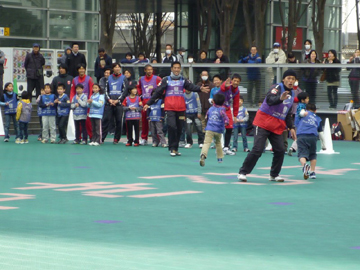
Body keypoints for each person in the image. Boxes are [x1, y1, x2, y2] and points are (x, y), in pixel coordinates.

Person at [237, 70, 297, 183]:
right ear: (283, 79)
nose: (290, 81)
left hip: (276, 126)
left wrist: (292, 127)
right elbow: (269, 100)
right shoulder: (277, 88)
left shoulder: (292, 94)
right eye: (288, 78)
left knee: (280, 150)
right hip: (263, 122)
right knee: (258, 149)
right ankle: (243, 172)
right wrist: (280, 98)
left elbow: (288, 112)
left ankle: (274, 174)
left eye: (293, 79)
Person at [143, 61, 210, 157]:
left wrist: (200, 89)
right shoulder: (166, 80)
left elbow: (191, 87)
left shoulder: (183, 80)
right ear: (171, 69)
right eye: (175, 68)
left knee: (179, 129)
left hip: (181, 109)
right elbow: (157, 92)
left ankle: (175, 148)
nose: (176, 69)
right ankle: (172, 147)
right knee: (172, 127)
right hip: (170, 108)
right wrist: (148, 103)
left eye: (178, 68)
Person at [102, 62, 129, 143]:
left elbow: (125, 91)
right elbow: (105, 90)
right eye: (115, 67)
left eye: (118, 67)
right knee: (106, 120)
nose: (117, 68)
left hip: (119, 104)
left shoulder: (124, 78)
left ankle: (116, 138)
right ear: (113, 68)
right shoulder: (109, 78)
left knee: (118, 121)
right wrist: (109, 100)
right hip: (109, 103)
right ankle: (102, 138)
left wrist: (118, 100)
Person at [199, 93, 229, 166]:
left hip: (209, 129)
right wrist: (226, 123)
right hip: (218, 130)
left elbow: (206, 117)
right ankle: (219, 157)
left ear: (214, 101)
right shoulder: (222, 110)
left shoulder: (210, 109)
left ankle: (203, 154)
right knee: (218, 143)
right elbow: (226, 118)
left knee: (206, 143)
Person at [136, 64, 162, 145]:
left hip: (155, 102)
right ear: (145, 70)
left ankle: (158, 139)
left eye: (151, 69)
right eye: (148, 69)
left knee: (156, 120)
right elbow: (138, 88)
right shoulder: (141, 79)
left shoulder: (157, 78)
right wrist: (140, 96)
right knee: (144, 120)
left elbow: (162, 88)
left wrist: (159, 98)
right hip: (144, 102)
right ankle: (144, 138)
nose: (150, 71)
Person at [297, 103, 322, 180]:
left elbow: (299, 113)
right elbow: (320, 132)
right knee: (313, 154)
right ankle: (313, 172)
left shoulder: (303, 114)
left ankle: (304, 165)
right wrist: (324, 144)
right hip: (313, 136)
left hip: (301, 135)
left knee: (302, 154)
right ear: (315, 110)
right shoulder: (318, 118)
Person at [70, 63, 94, 139]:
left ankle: (90, 137)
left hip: (86, 103)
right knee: (78, 121)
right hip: (77, 103)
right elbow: (72, 91)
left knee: (87, 122)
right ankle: (78, 137)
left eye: (83, 68)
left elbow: (91, 90)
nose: (81, 70)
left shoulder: (89, 79)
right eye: (80, 69)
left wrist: (89, 100)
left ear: (85, 69)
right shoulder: (74, 79)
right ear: (78, 70)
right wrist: (72, 100)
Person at [219, 74, 241, 155]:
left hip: (227, 109)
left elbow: (236, 104)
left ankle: (226, 147)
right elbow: (223, 88)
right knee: (218, 127)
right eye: (234, 80)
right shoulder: (227, 85)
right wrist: (225, 85)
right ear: (231, 80)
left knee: (229, 127)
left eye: (237, 81)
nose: (235, 82)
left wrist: (235, 115)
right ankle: (218, 147)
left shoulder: (237, 91)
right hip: (219, 108)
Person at [288, 91, 309, 156]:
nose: (308, 100)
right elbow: (301, 113)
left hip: (298, 124)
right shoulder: (301, 106)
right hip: (301, 124)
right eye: (307, 98)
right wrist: (305, 114)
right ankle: (296, 149)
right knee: (302, 138)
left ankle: (293, 148)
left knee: (300, 138)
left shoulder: (301, 105)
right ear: (302, 100)